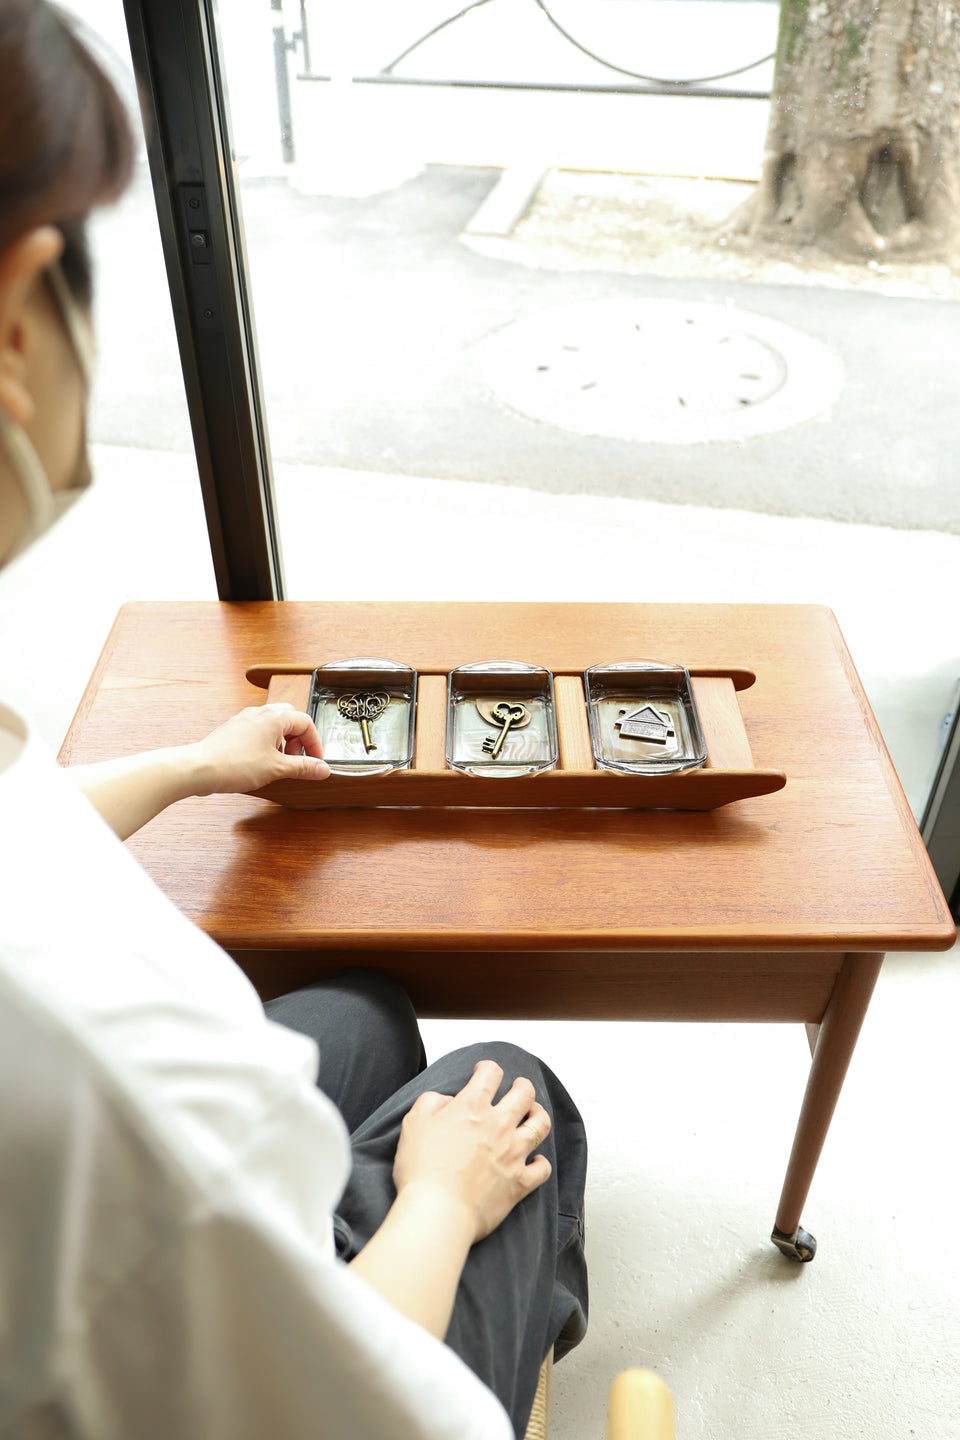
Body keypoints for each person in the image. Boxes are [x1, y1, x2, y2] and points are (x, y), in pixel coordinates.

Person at [0, 4, 588, 1438]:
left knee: (357, 1012)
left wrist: (194, 764)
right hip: (289, 1377)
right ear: (17, 313)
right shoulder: (92, 1065)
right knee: (520, 1101)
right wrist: (442, 1200)